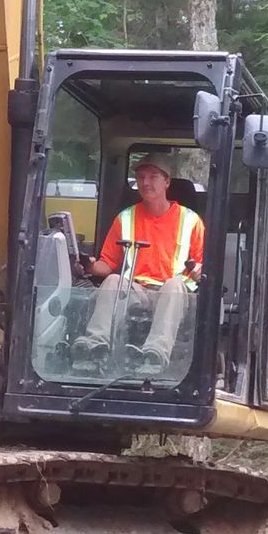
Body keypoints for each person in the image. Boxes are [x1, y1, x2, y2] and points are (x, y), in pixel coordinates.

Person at [75, 154, 205, 376]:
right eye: (141, 177)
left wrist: (199, 271)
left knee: (173, 285)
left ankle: (154, 355)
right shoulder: (125, 218)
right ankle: (93, 347)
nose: (145, 182)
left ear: (167, 182)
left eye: (153, 177)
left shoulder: (191, 220)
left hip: (172, 293)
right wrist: (90, 266)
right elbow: (107, 265)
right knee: (113, 280)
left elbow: (201, 268)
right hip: (136, 290)